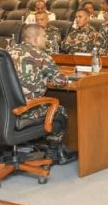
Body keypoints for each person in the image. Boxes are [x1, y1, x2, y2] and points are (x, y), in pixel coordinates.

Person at [7, 23, 71, 164]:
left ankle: (33, 146)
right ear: (35, 39)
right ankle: (52, 153)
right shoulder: (41, 55)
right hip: (26, 110)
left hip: (6, 110)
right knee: (60, 111)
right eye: (44, 36)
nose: (46, 40)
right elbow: (61, 81)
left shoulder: (8, 52)